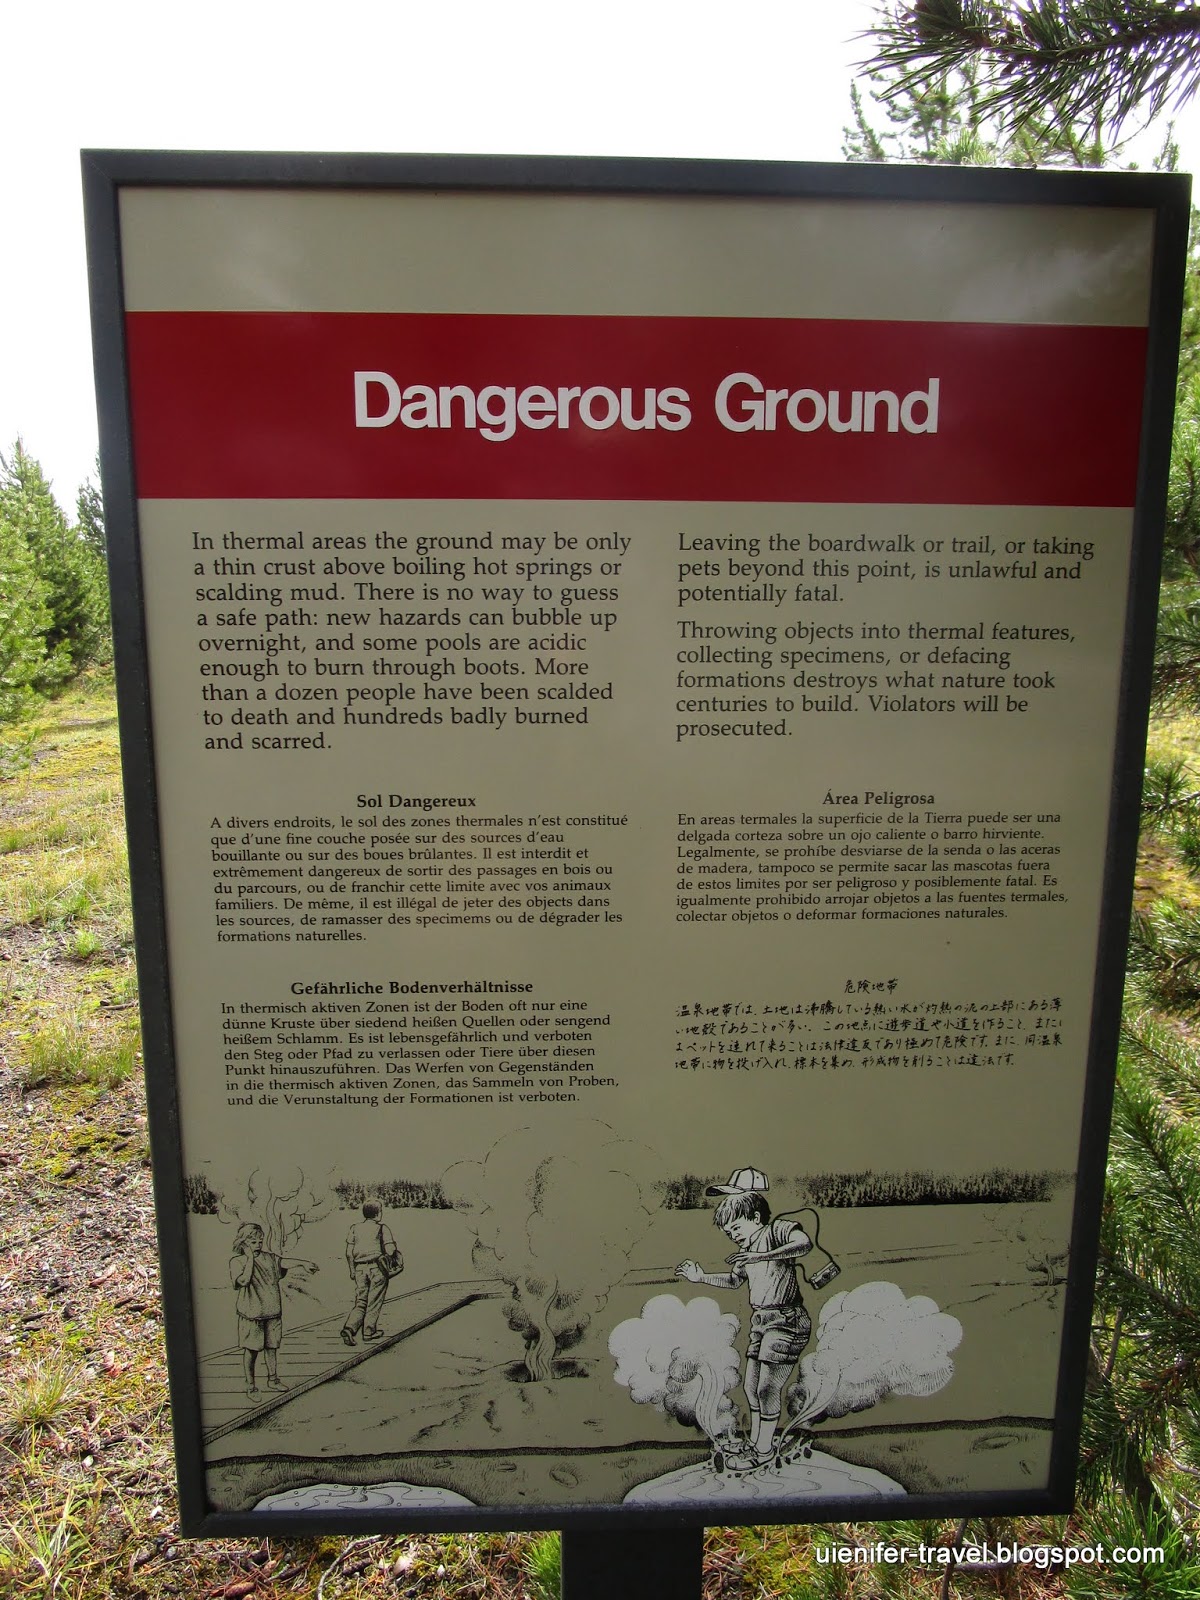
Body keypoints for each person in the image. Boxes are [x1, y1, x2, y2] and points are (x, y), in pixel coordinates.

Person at [676, 1166, 838, 1465]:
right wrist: (701, 1278)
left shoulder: (777, 1231)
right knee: (751, 1388)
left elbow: (803, 1244)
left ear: (754, 1217)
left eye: (736, 1229)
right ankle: (757, 1442)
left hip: (787, 1321)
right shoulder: (745, 1250)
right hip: (762, 1323)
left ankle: (763, 1451)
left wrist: (759, 1256)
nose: (734, 1237)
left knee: (767, 1388)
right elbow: (734, 1280)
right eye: (728, 1233)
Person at [229, 1222, 288, 1398]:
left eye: (260, 1242)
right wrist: (250, 1259)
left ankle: (273, 1379)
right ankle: (251, 1385)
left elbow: (283, 1262)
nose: (258, 1245)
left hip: (272, 1311)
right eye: (253, 1242)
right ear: (244, 1243)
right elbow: (244, 1281)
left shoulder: (269, 1258)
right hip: (251, 1314)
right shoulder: (237, 1262)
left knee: (272, 1347)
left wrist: (304, 1264)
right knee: (251, 1350)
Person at [341, 1201, 401, 1347]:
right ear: (378, 1213)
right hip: (377, 1268)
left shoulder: (354, 1228)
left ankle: (349, 1328)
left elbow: (349, 1253)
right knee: (374, 1301)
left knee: (361, 1301)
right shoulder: (382, 1228)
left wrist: (352, 1271)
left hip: (359, 1269)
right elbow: (390, 1250)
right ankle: (369, 1332)